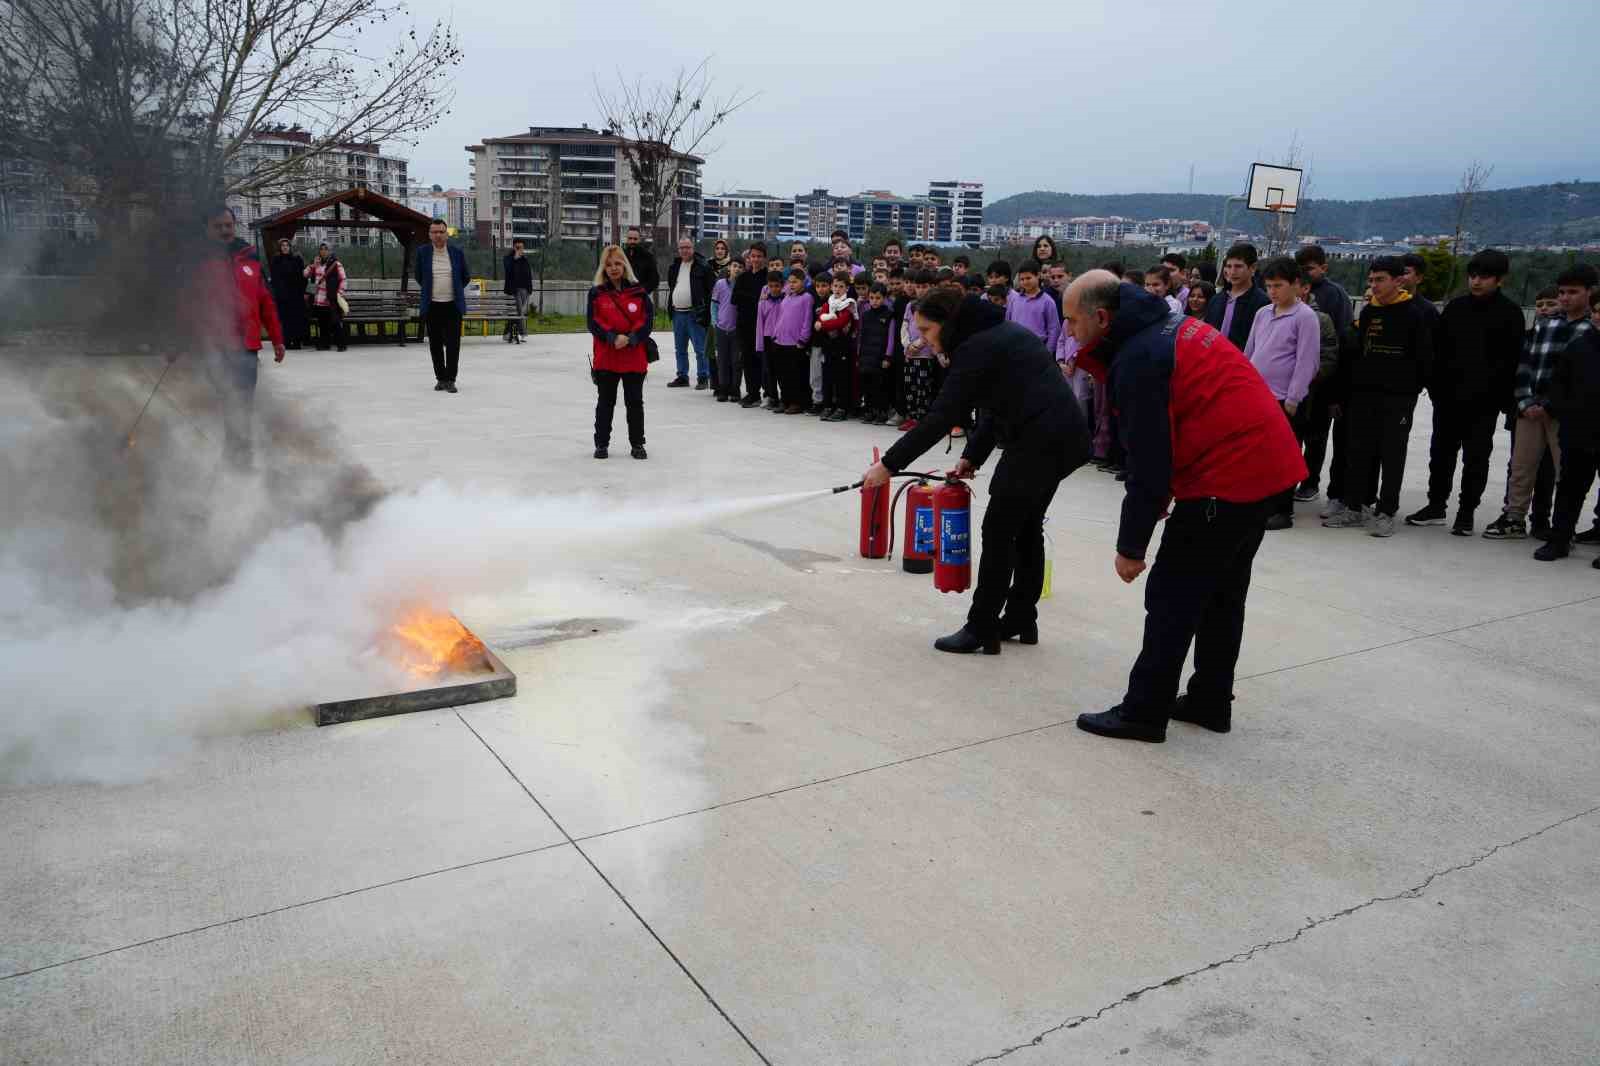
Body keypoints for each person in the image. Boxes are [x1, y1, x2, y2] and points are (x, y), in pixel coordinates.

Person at [1062, 271, 1305, 742]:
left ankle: (1143, 712)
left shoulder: (1141, 356)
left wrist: (1130, 546)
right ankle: (1211, 700)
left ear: (1102, 316)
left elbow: (1148, 463)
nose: (1069, 331)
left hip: (1227, 478)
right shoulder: (1170, 326)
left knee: (1172, 596)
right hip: (1265, 467)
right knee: (1221, 594)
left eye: (1072, 321)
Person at [860, 287, 1089, 654]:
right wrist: (973, 456)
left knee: (999, 530)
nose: (923, 339)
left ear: (948, 324)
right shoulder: (994, 336)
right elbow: (999, 403)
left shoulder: (976, 348)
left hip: (1040, 441)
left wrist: (888, 465)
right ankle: (1020, 618)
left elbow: (940, 419)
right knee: (1026, 527)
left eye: (927, 331)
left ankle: (982, 626)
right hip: (1061, 438)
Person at [1403, 250, 1525, 535]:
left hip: (1484, 404)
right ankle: (1436, 506)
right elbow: (1439, 351)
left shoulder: (1510, 314)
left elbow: (1511, 361)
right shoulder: (1457, 308)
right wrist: (1436, 389)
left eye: (1484, 277)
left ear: (1500, 280)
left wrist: (1501, 399)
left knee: (1476, 458)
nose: (1476, 282)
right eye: (1472, 276)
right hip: (1448, 399)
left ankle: (1466, 513)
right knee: (1440, 455)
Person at [1483, 264, 1599, 539]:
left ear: (1590, 293)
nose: (1565, 298)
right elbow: (1525, 364)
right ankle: (1514, 517)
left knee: (1567, 474)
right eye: (1562, 292)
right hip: (1529, 410)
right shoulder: (1545, 325)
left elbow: (1574, 380)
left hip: (1564, 415)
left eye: (1573, 292)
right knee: (1521, 467)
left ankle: (1562, 528)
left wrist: (1551, 405)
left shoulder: (1589, 332)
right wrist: (1524, 401)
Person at [1323, 257, 1434, 537]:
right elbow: (1355, 353)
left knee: (1392, 454)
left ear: (1399, 281)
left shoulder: (1415, 314)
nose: (1373, 286)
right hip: (1362, 395)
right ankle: (1354, 508)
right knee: (1358, 451)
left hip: (1398, 398)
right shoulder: (1369, 312)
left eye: (1380, 280)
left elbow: (1424, 358)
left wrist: (1409, 387)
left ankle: (1386, 512)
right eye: (1371, 280)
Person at [193, 206, 285, 469]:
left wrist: (277, 339)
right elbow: (189, 304)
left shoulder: (250, 256)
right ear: (207, 229)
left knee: (243, 402)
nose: (224, 230)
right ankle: (229, 452)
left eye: (228, 225)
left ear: (234, 226)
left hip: (247, 346)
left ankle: (240, 456)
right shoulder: (198, 261)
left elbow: (265, 300)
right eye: (218, 226)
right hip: (215, 345)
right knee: (226, 400)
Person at [1243, 257, 1322, 530]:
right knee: (1258, 454)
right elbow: (1250, 352)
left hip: (1284, 400)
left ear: (1297, 285)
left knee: (1283, 456)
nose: (1273, 291)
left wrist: (1293, 399)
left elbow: (1307, 361)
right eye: (1268, 286)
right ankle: (1260, 503)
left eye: (1278, 285)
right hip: (1257, 396)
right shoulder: (1263, 313)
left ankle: (1282, 510)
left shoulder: (1305, 317)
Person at [1292, 245, 1356, 505]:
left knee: (1316, 435)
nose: (1305, 275)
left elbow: (1340, 341)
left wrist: (1327, 381)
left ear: (1323, 267)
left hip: (1322, 381)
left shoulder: (1335, 295)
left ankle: (1310, 482)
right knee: (1293, 434)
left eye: (1309, 269)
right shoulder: (1290, 294)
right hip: (1294, 382)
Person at [1535, 327, 1600, 563]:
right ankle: (1559, 540)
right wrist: (1565, 412)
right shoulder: (1578, 346)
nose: (1598, 316)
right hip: (1578, 431)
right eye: (1596, 311)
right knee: (1570, 488)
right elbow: (1559, 383)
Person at [586, 245, 653, 460]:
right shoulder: (596, 292)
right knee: (605, 403)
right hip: (607, 356)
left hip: (633, 356)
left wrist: (631, 338)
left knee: (635, 403)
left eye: (617, 263)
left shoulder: (639, 291)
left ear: (625, 265)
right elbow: (593, 322)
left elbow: (647, 321)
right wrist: (612, 337)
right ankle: (601, 444)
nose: (613, 268)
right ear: (603, 268)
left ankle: (637, 444)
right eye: (608, 264)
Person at [414, 219, 467, 393]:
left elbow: (465, 277)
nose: (438, 235)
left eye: (441, 232)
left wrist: (455, 291)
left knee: (453, 344)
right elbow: (419, 276)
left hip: (452, 306)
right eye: (434, 232)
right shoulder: (422, 252)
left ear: (447, 234)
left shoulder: (457, 252)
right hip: (433, 306)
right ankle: (441, 378)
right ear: (429, 235)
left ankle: (451, 379)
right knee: (435, 344)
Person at [665, 236, 714, 389]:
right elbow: (673, 286)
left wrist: (705, 312)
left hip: (695, 314)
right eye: (682, 248)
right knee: (680, 348)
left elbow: (710, 291)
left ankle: (703, 377)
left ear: (693, 248)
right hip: (678, 313)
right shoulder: (674, 266)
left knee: (700, 348)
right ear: (678, 249)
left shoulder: (703, 266)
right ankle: (682, 376)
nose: (685, 250)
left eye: (687, 247)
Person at [1203, 243, 1268, 350]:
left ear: (1252, 268)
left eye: (1238, 266)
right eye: (1228, 266)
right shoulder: (1216, 299)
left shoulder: (1262, 303)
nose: (1232, 272)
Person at [731, 242, 770, 408]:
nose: (755, 259)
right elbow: (735, 299)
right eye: (753, 256)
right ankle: (752, 393)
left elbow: (765, 301)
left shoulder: (768, 277)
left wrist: (748, 297)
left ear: (764, 258)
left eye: (759, 256)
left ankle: (769, 394)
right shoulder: (743, 277)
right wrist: (754, 298)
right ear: (749, 257)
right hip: (744, 325)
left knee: (763, 361)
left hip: (763, 326)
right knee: (747, 360)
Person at [814, 271, 857, 421]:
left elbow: (841, 322)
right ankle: (828, 406)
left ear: (847, 288)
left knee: (842, 378)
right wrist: (825, 323)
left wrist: (823, 325)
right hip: (829, 345)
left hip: (843, 346)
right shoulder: (829, 302)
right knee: (827, 376)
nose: (837, 289)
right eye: (835, 286)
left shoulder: (849, 304)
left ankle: (841, 408)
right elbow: (821, 316)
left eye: (841, 286)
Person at [771, 268, 814, 414]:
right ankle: (785, 400)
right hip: (780, 341)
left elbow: (807, 320)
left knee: (795, 374)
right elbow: (781, 317)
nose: (792, 285)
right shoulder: (787, 297)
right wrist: (775, 334)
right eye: (790, 282)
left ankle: (797, 402)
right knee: (782, 374)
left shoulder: (807, 298)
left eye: (795, 282)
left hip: (795, 342)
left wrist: (803, 339)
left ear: (804, 282)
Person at [857, 282, 896, 424]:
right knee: (867, 385)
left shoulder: (889, 315)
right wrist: (859, 355)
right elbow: (861, 336)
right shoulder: (865, 315)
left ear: (884, 298)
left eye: (878, 298)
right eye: (872, 298)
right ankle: (869, 410)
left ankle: (881, 412)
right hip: (866, 355)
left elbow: (891, 337)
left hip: (880, 357)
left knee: (880, 386)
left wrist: (888, 356)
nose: (874, 301)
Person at [1005, 259, 1060, 351]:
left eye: (1028, 278)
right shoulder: (1014, 299)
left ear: (1038, 275)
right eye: (1022, 279)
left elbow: (1054, 329)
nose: (1025, 282)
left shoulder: (1047, 301)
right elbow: (1008, 322)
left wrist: (1048, 351)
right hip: (1015, 347)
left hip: (1038, 348)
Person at [305, 243, 347, 353]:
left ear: (330, 251)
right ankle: (325, 344)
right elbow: (305, 274)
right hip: (318, 298)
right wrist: (313, 265)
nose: (323, 251)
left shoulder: (336, 264)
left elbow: (343, 279)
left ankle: (341, 344)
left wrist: (339, 293)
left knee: (335, 322)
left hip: (330, 298)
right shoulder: (316, 263)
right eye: (321, 249)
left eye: (326, 249)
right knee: (322, 323)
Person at [711, 258, 742, 402]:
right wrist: (715, 321)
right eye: (735, 266)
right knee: (722, 360)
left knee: (736, 361)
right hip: (721, 328)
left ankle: (735, 390)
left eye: (740, 267)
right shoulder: (720, 284)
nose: (737, 269)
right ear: (729, 267)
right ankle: (723, 389)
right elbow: (714, 305)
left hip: (736, 329)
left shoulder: (742, 285)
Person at [268, 238, 307, 350]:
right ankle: (286, 341)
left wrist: (302, 291)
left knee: (296, 318)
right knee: (284, 320)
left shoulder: (297, 259)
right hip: (282, 295)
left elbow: (302, 277)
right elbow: (274, 278)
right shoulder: (276, 260)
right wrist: (278, 292)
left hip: (295, 295)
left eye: (287, 245)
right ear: (280, 247)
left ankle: (297, 341)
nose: (285, 247)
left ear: (290, 247)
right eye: (283, 245)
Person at [503, 239, 533, 345]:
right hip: (513, 291)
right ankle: (522, 333)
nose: (520, 249)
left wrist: (530, 289)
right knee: (519, 312)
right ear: (514, 247)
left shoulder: (525, 259)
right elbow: (508, 270)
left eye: (521, 247)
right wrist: (515, 258)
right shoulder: (508, 259)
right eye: (518, 247)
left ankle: (506, 334)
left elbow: (529, 274)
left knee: (514, 314)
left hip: (524, 290)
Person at [623, 225, 659, 296]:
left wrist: (642, 291)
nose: (632, 241)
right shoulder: (622, 255)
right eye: (630, 238)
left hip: (641, 297)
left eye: (635, 239)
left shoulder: (648, 256)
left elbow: (654, 280)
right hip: (624, 296)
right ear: (626, 239)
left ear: (639, 239)